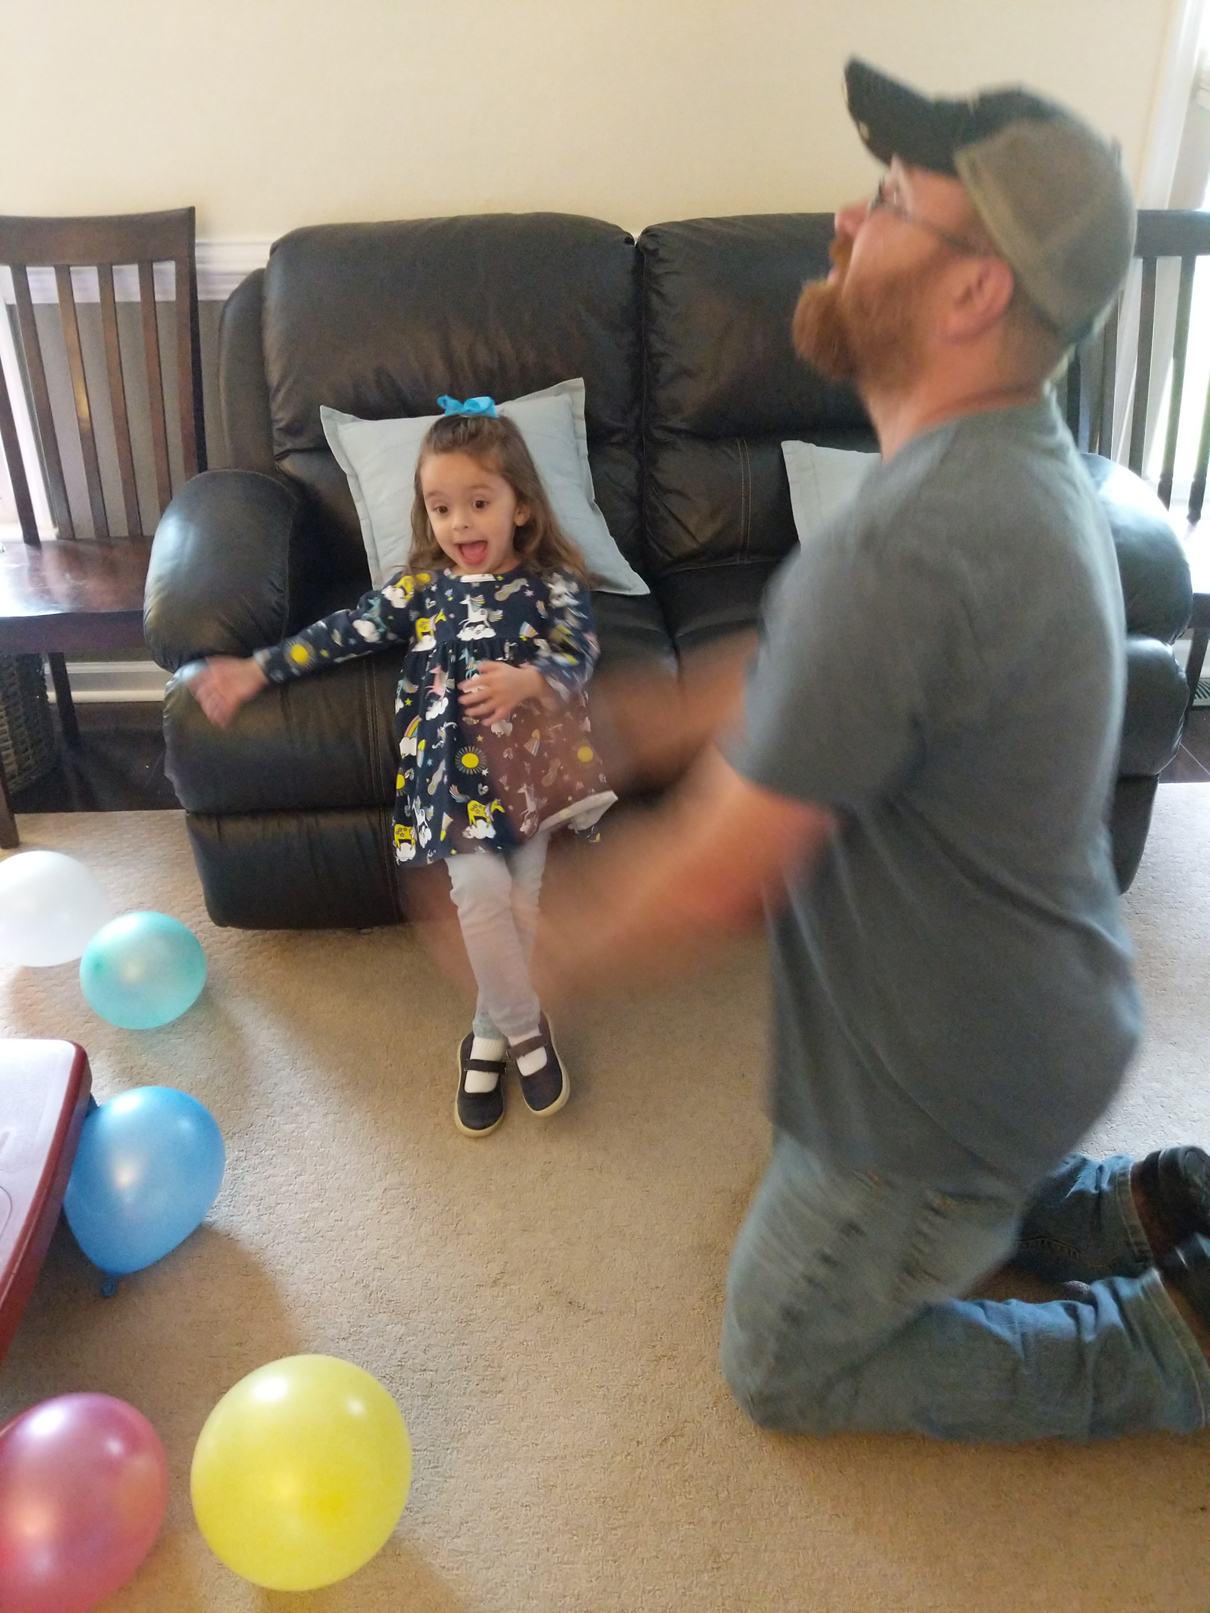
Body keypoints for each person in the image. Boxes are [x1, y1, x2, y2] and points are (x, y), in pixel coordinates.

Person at [531, 59, 1210, 1441]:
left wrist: (540, 948)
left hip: (934, 1094)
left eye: (891, 201)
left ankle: (1157, 1349)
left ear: (973, 293)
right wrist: (647, 718)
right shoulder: (1014, 463)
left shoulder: (907, 548)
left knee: (780, 1361)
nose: (844, 218)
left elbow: (714, 879)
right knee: (913, 1188)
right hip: (1039, 1021)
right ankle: (1107, 1207)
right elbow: (835, 672)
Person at [188, 400, 614, 1137]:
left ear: (520, 506)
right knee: (479, 894)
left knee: (521, 903)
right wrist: (259, 668)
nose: (460, 523)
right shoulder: (421, 589)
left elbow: (580, 655)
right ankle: (525, 1031)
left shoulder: (555, 585)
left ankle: (484, 1036)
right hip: (449, 779)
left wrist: (529, 680)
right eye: (442, 508)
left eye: (479, 503)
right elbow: (341, 632)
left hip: (533, 775)